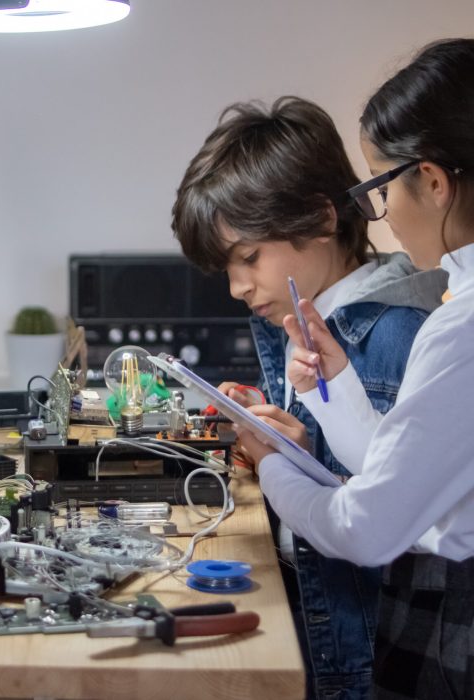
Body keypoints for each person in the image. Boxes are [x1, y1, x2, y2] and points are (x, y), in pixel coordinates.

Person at [171, 96, 447, 700]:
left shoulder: (392, 334)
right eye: (227, 268)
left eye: (248, 258)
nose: (239, 287)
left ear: (324, 219)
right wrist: (284, 438)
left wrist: (291, 464)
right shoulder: (313, 320)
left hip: (360, 651)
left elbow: (401, 533)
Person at [235, 38, 474, 700]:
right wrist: (338, 388)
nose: (383, 213)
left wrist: (274, 462)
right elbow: (416, 478)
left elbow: (368, 528)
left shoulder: (460, 327)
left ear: (431, 180)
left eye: (380, 185)